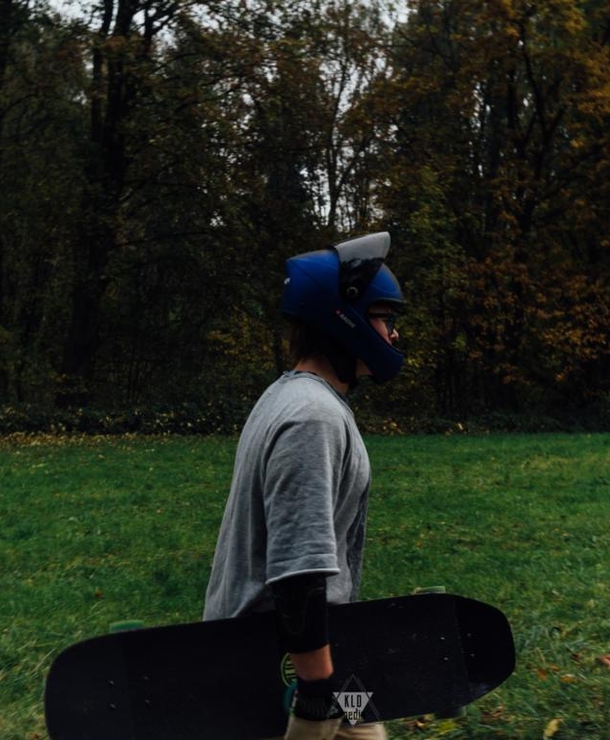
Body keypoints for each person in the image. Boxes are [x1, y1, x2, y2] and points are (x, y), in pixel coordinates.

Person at [203, 232, 405, 740]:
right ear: (346, 319)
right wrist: (317, 696)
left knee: (370, 735)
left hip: (328, 652)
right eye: (385, 319)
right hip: (282, 668)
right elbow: (298, 574)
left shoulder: (292, 398)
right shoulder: (311, 418)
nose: (393, 335)